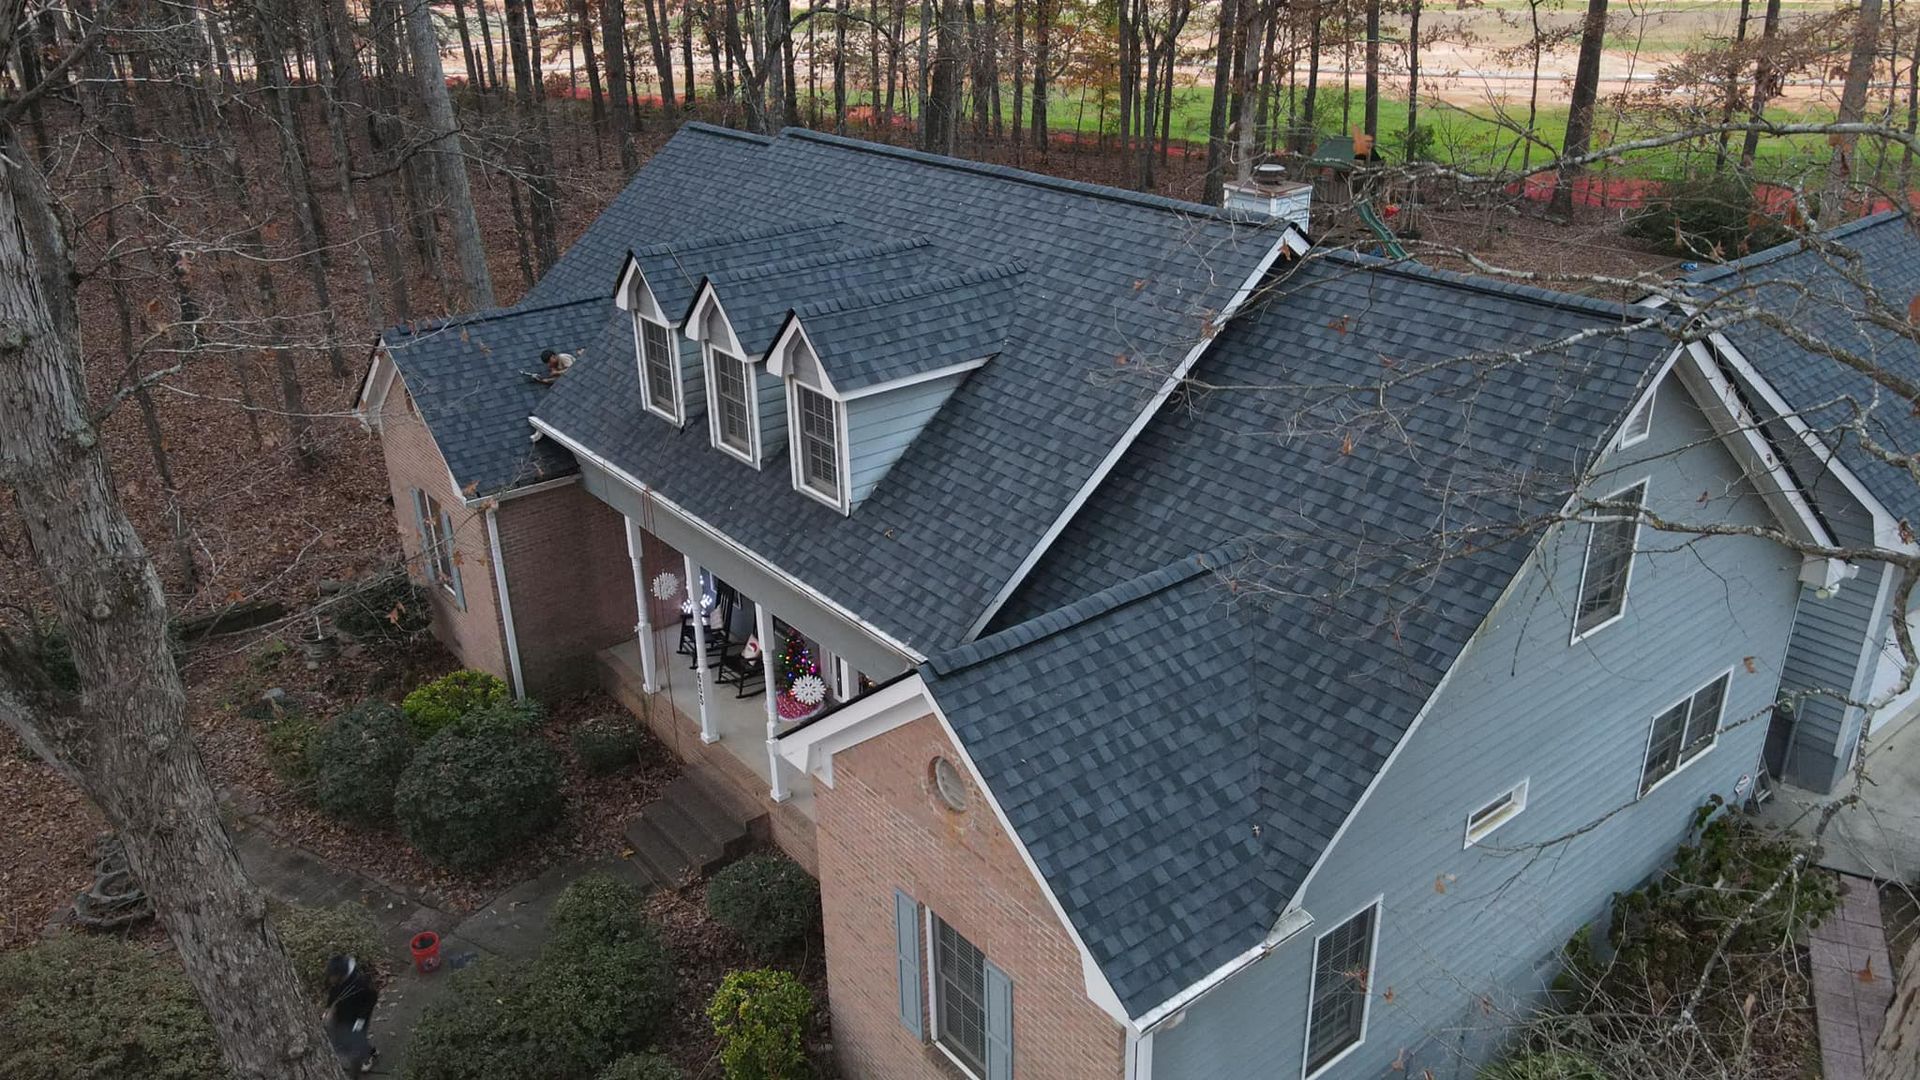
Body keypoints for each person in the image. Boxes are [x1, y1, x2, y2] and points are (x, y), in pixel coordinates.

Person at [323, 954, 379, 1074]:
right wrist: (329, 1008)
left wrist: (361, 1018)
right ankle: (370, 1050)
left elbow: (372, 999)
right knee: (342, 1036)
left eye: (333, 977)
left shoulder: (360, 982)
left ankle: (367, 1057)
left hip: (359, 1015)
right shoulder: (337, 981)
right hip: (343, 1013)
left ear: (341, 974)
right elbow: (333, 993)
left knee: (356, 1035)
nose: (331, 980)